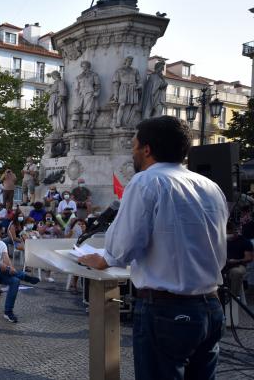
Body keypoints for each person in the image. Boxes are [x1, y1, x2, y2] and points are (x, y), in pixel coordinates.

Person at [78, 116, 227, 380]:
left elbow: (122, 246)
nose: (132, 152)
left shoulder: (147, 182)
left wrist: (105, 259)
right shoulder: (211, 186)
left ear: (147, 149)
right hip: (211, 307)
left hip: (167, 311)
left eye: (134, 146)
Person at [0, 220, 40, 323]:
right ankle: (23, 275)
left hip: (1, 274)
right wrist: (1, 264)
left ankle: (8, 312)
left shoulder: (1, 244)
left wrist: (11, 267)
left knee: (15, 281)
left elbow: (6, 260)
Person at [226, 222, 253, 301]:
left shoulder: (245, 242)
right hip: (223, 264)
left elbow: (249, 258)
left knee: (236, 272)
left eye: (233, 232)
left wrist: (236, 261)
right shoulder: (221, 240)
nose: (231, 234)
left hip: (239, 265)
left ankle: (233, 297)